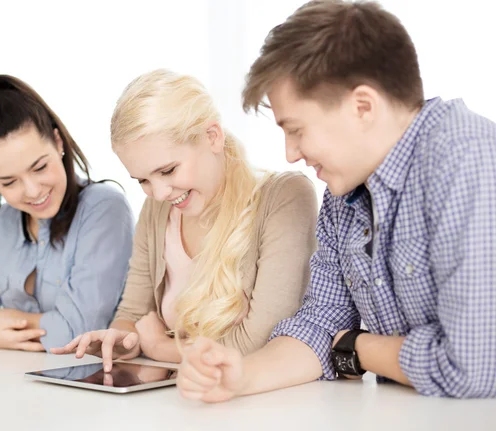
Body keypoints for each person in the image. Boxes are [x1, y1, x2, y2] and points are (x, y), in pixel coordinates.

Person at [176, 0, 496, 401]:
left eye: (296, 129)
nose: (291, 154)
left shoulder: (469, 161)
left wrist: (359, 348)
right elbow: (321, 325)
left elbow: (472, 368)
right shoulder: (342, 197)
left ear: (362, 106)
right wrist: (242, 376)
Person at [51, 69, 318, 370]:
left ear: (212, 136)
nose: (160, 192)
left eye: (167, 171)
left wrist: (162, 348)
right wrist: (123, 340)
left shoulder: (285, 198)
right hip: (180, 397)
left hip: (260, 404)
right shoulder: (156, 209)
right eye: (142, 180)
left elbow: (263, 341)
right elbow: (132, 313)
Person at [0, 74, 134, 352]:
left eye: (39, 167)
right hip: (18, 381)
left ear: (58, 143)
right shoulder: (0, 224)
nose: (32, 191)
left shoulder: (104, 208)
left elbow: (79, 330)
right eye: (9, 182)